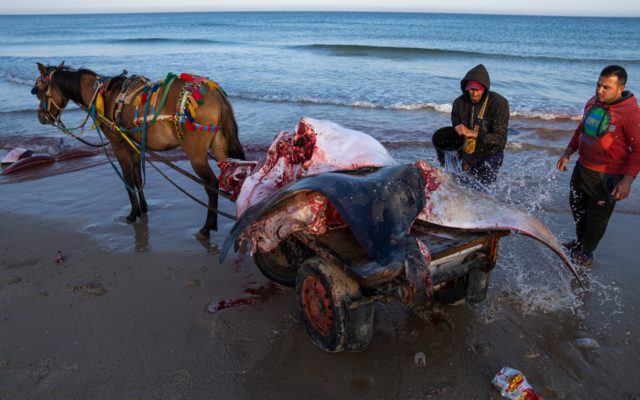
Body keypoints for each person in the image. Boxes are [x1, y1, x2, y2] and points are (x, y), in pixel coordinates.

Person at [556, 65, 640, 266]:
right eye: (598, 85)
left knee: (597, 218)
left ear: (621, 88)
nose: (599, 91)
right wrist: (568, 152)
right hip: (583, 167)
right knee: (577, 207)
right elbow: (581, 129)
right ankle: (579, 243)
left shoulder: (631, 113)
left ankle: (586, 253)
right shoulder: (592, 102)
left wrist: (627, 180)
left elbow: (638, 149)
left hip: (607, 176)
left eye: (606, 87)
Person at [452, 64, 510, 185]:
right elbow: (458, 135)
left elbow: (500, 140)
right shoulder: (458, 103)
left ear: (485, 88)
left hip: (491, 153)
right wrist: (463, 156)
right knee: (460, 188)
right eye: (471, 89)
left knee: (483, 191)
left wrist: (472, 133)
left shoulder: (499, 103)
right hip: (467, 152)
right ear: (466, 88)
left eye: (478, 89)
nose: (474, 93)